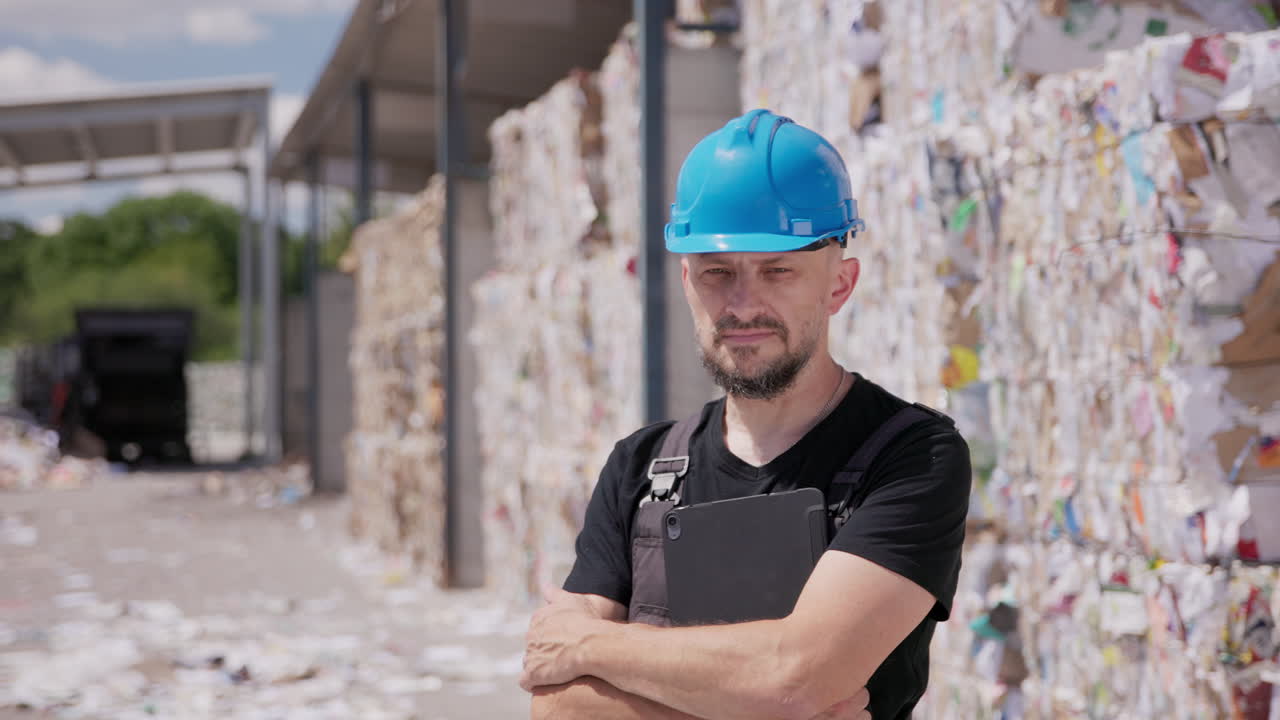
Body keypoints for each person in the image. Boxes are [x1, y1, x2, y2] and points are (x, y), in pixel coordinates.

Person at [521, 109, 971, 720]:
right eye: (718, 272)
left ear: (839, 284)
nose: (743, 303)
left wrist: (595, 647)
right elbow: (560, 708)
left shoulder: (912, 455)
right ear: (687, 281)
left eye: (777, 270)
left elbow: (796, 676)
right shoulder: (639, 467)